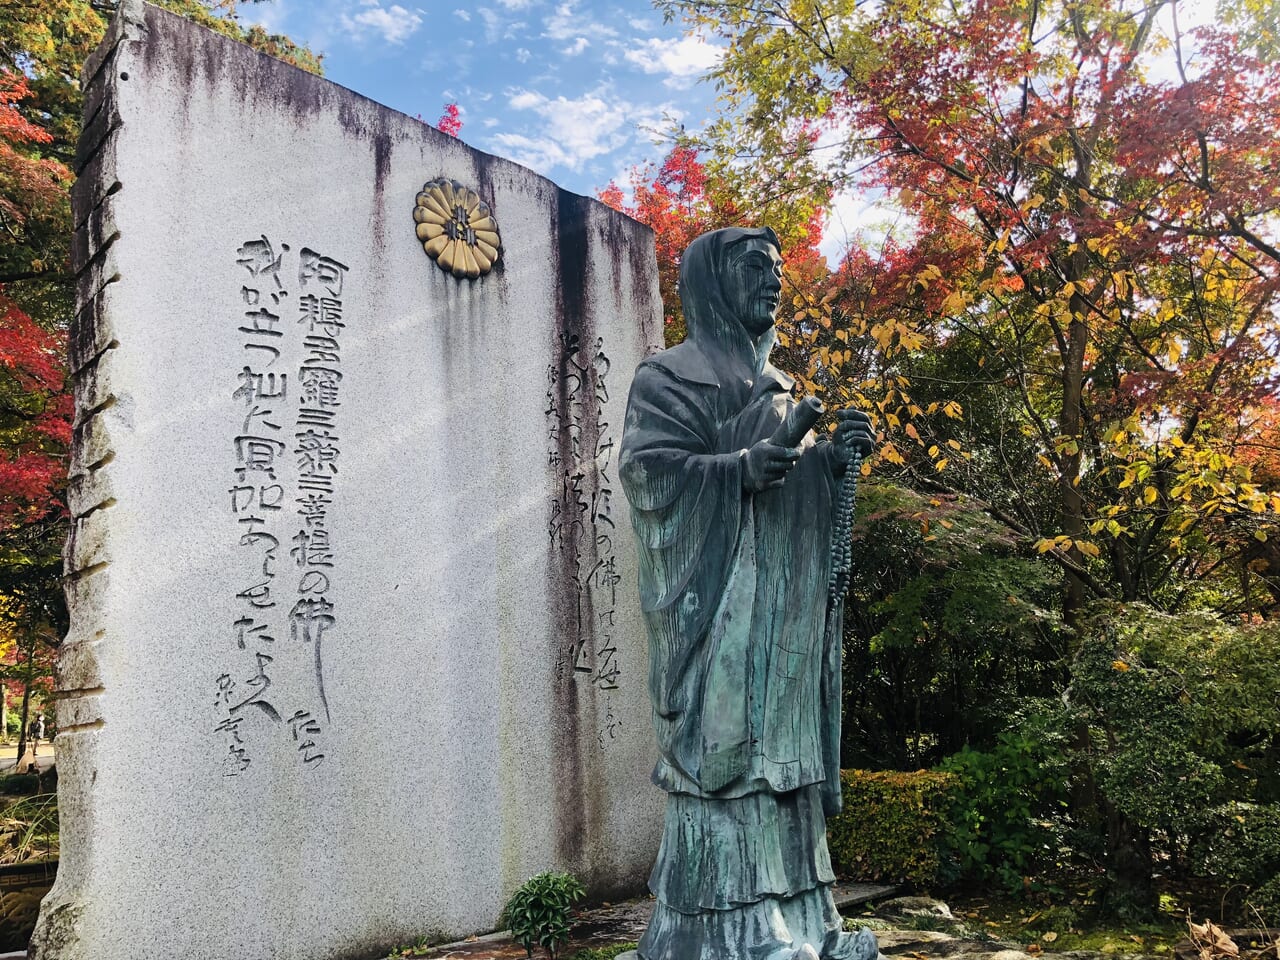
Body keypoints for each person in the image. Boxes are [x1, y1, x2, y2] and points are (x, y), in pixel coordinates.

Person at [619, 227, 879, 960]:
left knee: (784, 770)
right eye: (757, 268)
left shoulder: (782, 386)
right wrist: (737, 466)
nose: (774, 282)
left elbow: (795, 487)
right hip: (720, 615)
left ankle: (808, 921)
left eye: (778, 270)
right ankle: (728, 933)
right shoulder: (669, 376)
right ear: (712, 283)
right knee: (732, 772)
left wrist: (831, 462)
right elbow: (647, 474)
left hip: (782, 618)